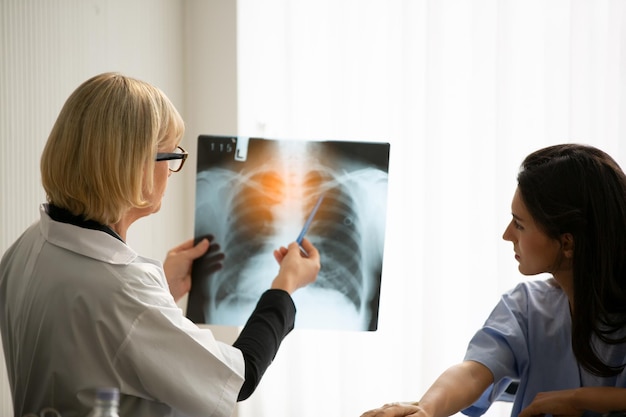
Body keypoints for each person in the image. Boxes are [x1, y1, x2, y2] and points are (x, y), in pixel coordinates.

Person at [0, 72, 321, 417]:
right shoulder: (122, 289)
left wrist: (163, 288)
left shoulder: (25, 248)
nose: (171, 171)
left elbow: (94, 344)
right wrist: (284, 288)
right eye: (170, 156)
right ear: (131, 167)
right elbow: (240, 377)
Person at [361, 144, 626, 417]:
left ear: (567, 243)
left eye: (520, 225)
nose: (507, 235)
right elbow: (474, 372)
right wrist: (427, 409)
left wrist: (581, 399)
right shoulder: (527, 306)